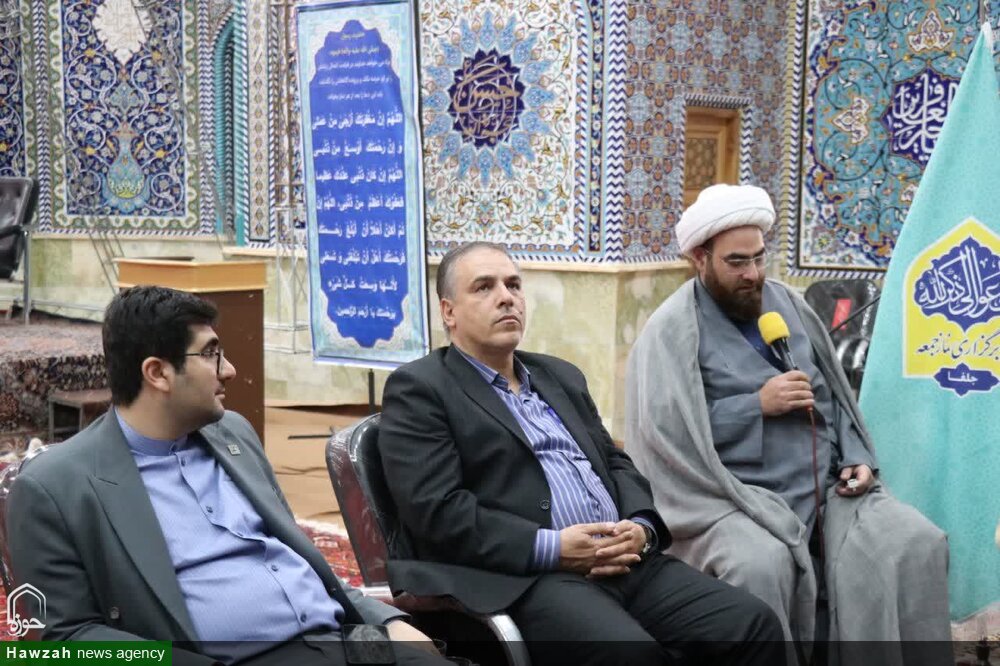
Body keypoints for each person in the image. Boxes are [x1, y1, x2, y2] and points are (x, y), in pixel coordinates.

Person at [378, 241, 786, 666]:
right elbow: (439, 512)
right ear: (448, 312)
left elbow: (615, 462)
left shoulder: (559, 375)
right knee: (631, 655)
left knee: (752, 624)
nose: (506, 297)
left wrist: (642, 527)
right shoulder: (422, 388)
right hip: (527, 576)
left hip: (624, 561)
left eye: (513, 285)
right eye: (484, 287)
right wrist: (554, 547)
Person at [6, 286, 446, 666]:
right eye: (211, 354)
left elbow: (297, 556)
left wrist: (384, 619)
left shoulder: (232, 433)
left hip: (341, 641)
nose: (230, 370)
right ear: (157, 373)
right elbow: (62, 640)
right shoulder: (55, 486)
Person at [625, 184, 951, 664]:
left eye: (759, 258)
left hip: (828, 492)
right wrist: (756, 405)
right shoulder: (670, 331)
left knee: (914, 543)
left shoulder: (788, 305)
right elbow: (666, 435)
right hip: (733, 501)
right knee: (761, 565)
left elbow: (835, 397)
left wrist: (856, 458)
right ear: (700, 258)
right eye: (737, 262)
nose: (753, 274)